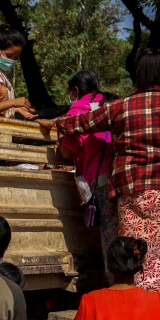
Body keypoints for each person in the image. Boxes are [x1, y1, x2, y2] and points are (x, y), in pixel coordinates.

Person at [38, 49, 160, 318]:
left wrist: (55, 121)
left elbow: (80, 124)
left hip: (134, 191)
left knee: (136, 252)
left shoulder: (120, 107)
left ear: (138, 76)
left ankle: (139, 315)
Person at [57, 70, 117, 268]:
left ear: (75, 90)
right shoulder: (112, 101)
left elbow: (66, 153)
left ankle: (115, 284)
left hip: (101, 181)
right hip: (123, 177)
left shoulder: (77, 109)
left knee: (111, 241)